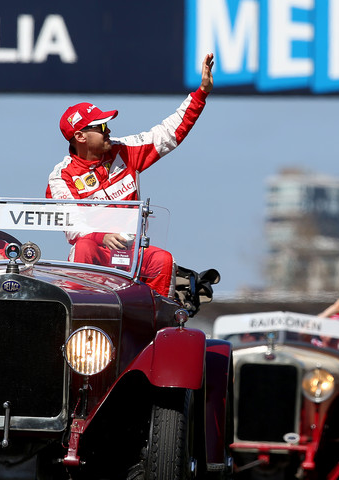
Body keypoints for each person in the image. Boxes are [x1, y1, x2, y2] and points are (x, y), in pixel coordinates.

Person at [46, 53, 215, 297]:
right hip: (94, 252)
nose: (109, 130)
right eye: (101, 126)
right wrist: (102, 237)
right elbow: (71, 225)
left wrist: (201, 93)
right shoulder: (61, 177)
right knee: (83, 246)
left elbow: (168, 133)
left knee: (163, 260)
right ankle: (78, 320)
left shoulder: (124, 150)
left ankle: (154, 328)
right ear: (80, 137)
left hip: (130, 252)